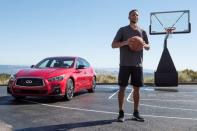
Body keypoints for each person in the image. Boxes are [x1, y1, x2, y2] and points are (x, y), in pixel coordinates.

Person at [111, 9, 150, 122]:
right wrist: (126, 42)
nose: (135, 16)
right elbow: (113, 45)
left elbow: (148, 46)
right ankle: (121, 113)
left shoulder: (142, 31)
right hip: (125, 64)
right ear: (129, 17)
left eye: (137, 15)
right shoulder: (122, 30)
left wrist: (144, 45)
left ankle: (136, 113)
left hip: (138, 65)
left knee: (137, 90)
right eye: (133, 14)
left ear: (138, 17)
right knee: (122, 89)